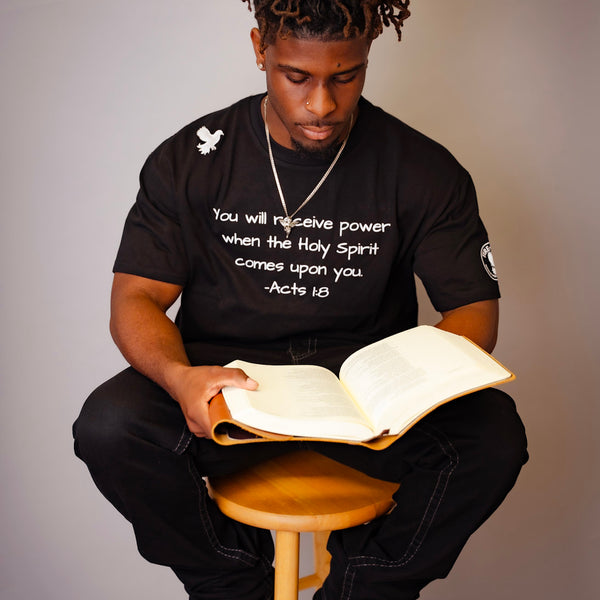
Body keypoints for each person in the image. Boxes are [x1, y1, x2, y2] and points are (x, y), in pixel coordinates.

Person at [73, 1, 528, 598]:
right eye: (297, 77)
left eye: (346, 77)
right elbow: (136, 296)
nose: (322, 104)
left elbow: (474, 311)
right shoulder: (190, 159)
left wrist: (411, 390)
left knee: (493, 439)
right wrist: (181, 378)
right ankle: (233, 581)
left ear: (366, 58)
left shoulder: (423, 168)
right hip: (230, 391)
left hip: (364, 401)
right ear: (260, 49)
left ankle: (363, 588)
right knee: (109, 426)